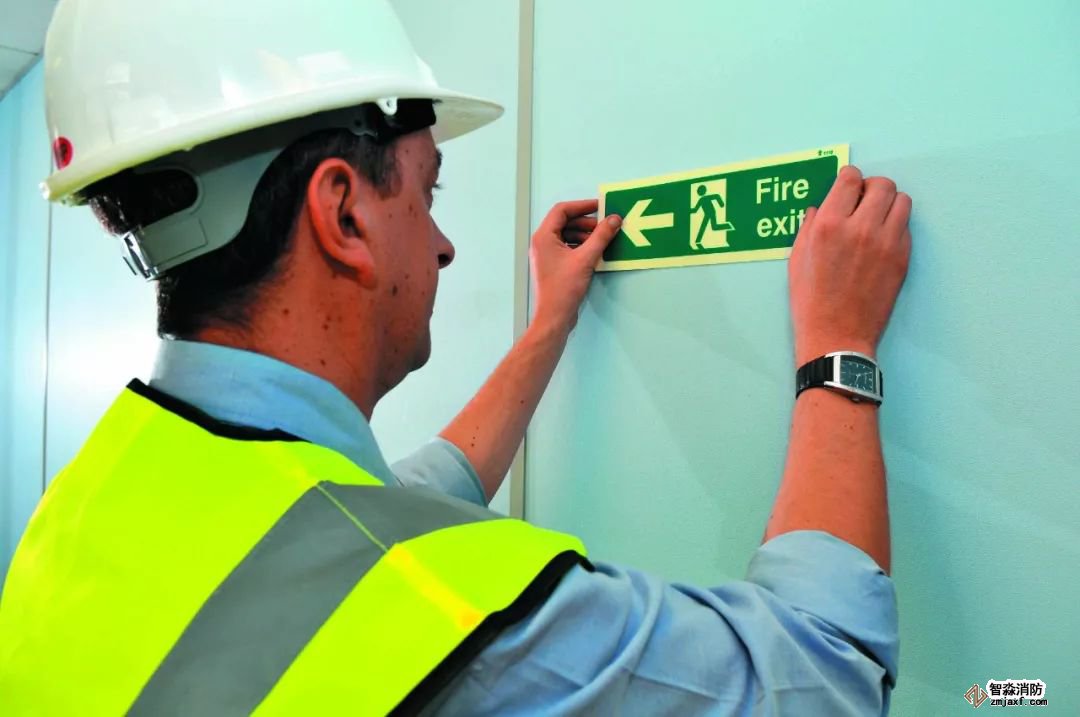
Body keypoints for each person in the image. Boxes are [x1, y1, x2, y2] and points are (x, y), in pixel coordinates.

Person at [0, 0, 911, 714]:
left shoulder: (98, 502)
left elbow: (397, 503)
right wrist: (839, 340)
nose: (442, 245)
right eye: (428, 193)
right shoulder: (444, 611)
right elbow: (827, 669)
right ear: (343, 213)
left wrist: (548, 325)